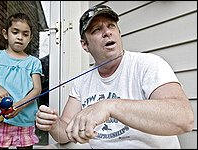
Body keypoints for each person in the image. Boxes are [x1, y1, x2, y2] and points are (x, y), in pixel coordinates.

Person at [36, 5, 194, 149]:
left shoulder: (148, 64)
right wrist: (54, 125)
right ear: (85, 45)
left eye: (111, 26)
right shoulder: (81, 81)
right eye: (96, 29)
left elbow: (184, 119)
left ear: (119, 32)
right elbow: (66, 133)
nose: (107, 32)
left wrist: (109, 106)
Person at [0, 13, 42, 149]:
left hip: (24, 119)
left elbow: (37, 89)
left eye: (25, 34)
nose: (20, 37)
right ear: (5, 33)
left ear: (30, 38)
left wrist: (20, 105)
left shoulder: (33, 62)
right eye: (15, 32)